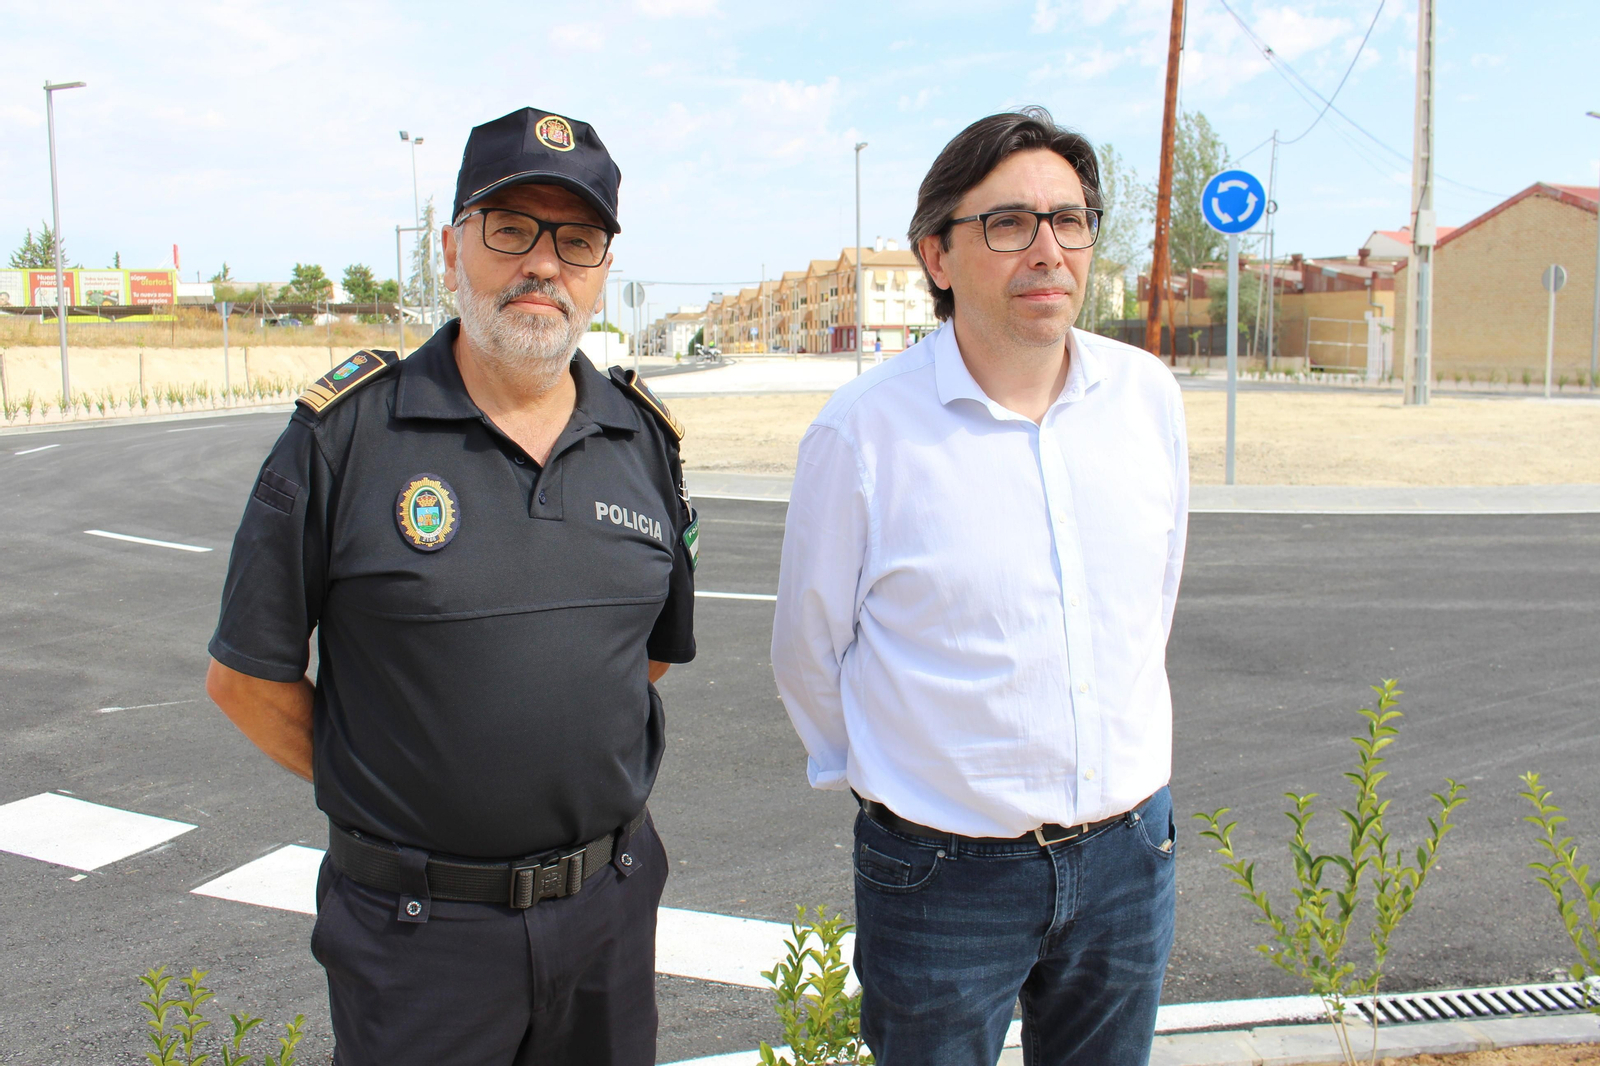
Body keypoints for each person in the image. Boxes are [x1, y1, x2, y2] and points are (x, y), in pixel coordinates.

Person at [205, 107, 697, 1066]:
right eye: (511, 229)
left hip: (607, 917)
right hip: (417, 935)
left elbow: (645, 660)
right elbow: (247, 680)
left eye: (578, 239)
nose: (544, 263)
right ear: (451, 250)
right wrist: (405, 792)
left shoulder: (644, 442)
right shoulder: (344, 436)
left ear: (601, 269)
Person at [771, 106, 1189, 1066]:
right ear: (937, 257)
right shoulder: (864, 433)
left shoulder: (1146, 400)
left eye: (1069, 219)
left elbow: (1147, 608)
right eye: (1008, 223)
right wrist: (900, 784)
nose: (1047, 248)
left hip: (1131, 856)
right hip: (943, 875)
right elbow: (807, 650)